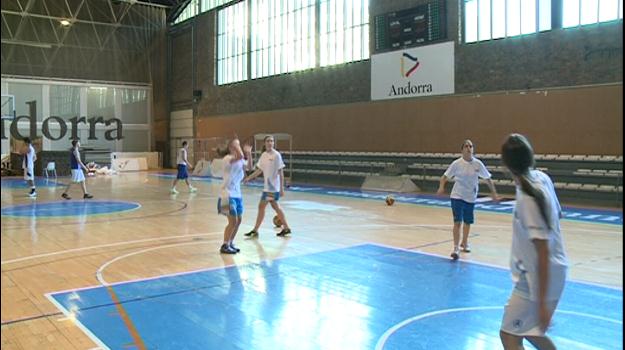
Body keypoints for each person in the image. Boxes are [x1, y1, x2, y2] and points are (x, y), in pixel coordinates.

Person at [499, 134, 568, 350]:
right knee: (532, 332)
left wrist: (541, 301)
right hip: (554, 270)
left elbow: (542, 253)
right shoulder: (543, 178)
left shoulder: (527, 198)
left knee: (509, 335)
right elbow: (559, 215)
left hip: (536, 278)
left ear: (506, 164)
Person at [437, 139, 500, 260]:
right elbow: (444, 177)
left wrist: (494, 193)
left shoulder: (478, 164)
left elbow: (488, 179)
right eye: (466, 146)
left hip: (470, 197)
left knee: (468, 222)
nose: (469, 148)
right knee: (457, 222)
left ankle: (464, 242)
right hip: (457, 196)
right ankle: (455, 248)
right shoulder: (456, 164)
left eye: (471, 146)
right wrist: (441, 187)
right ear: (462, 150)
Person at [244, 135, 292, 237]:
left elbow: (281, 173)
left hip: (273, 187)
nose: (270, 143)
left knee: (263, 206)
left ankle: (255, 230)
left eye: (272, 141)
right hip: (267, 187)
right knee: (275, 207)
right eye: (268, 141)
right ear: (265, 143)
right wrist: (249, 178)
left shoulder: (277, 155)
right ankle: (286, 228)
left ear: (274, 143)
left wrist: (282, 189)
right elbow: (259, 170)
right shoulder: (264, 155)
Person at [217, 138, 252, 254]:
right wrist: (239, 148)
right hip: (226, 195)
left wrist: (249, 153)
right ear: (231, 148)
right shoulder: (227, 159)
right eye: (237, 145)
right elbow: (240, 156)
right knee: (233, 221)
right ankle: (224, 244)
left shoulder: (240, 160)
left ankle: (230, 242)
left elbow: (249, 167)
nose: (239, 147)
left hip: (237, 195)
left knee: (239, 220)